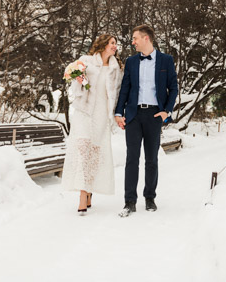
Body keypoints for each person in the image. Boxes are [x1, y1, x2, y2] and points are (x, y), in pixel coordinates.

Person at [115, 24, 178, 217]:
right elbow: (125, 88)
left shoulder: (166, 60)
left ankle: (150, 197)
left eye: (135, 38)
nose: (132, 42)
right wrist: (119, 113)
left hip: (154, 116)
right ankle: (129, 201)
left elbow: (173, 88)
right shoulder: (131, 62)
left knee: (152, 159)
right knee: (131, 159)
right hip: (133, 115)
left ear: (146, 39)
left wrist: (166, 111)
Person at [62, 34, 123, 215]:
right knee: (82, 150)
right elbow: (75, 87)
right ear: (103, 45)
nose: (115, 46)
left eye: (115, 44)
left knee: (95, 153)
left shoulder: (115, 68)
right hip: (84, 113)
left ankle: (89, 190)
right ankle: (82, 195)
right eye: (112, 43)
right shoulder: (85, 61)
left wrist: (117, 115)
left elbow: (117, 94)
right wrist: (82, 81)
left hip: (102, 115)